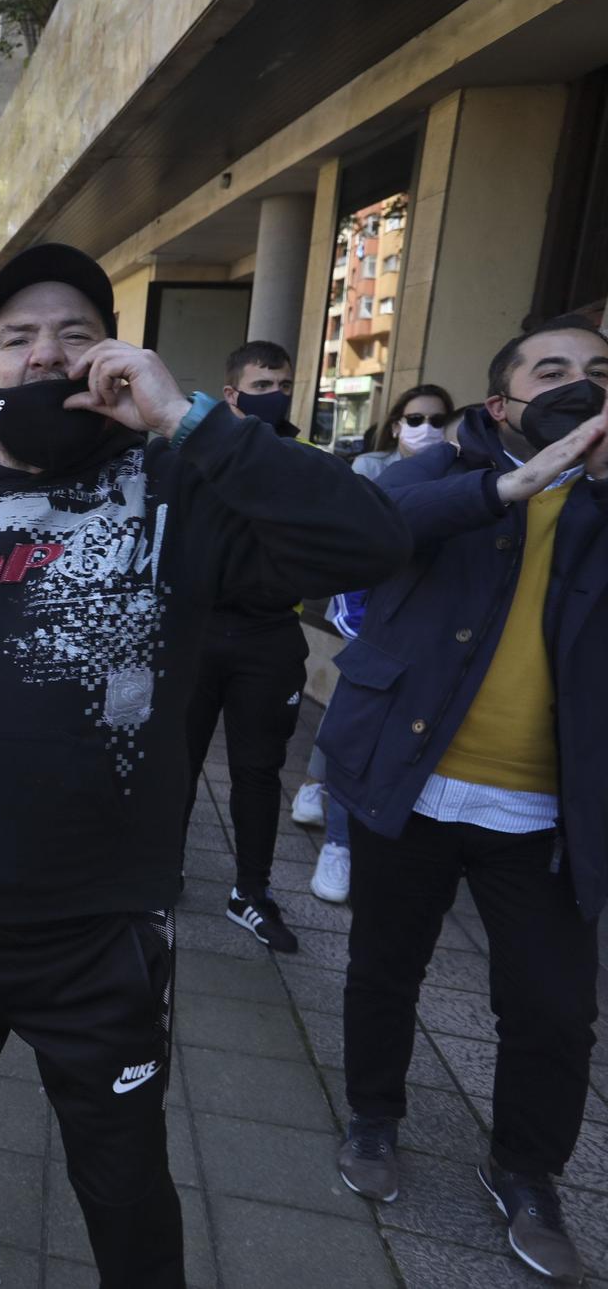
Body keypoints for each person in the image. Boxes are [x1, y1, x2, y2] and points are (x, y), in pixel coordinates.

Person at [0, 243, 409, 1288]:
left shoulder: (180, 491)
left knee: (123, 1185)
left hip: (102, 936)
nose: (44, 355)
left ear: (116, 359)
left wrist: (189, 422)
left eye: (73, 334)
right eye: (16, 337)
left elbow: (369, 542)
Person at [322, 315, 608, 1283]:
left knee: (553, 1006)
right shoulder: (440, 467)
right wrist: (511, 485)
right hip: (412, 777)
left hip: (545, 809)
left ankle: (525, 1170)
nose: (579, 385)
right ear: (502, 401)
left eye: (596, 372)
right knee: (382, 965)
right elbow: (365, 533)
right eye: (552, 370)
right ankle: (371, 1115)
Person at [296, 383, 454, 904]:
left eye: (438, 419)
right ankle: (338, 842)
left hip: (427, 631)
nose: (426, 429)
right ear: (394, 424)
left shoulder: (470, 479)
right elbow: (351, 550)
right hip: (371, 620)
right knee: (356, 727)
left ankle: (321, 791)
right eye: (415, 418)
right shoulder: (369, 470)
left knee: (362, 725)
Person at [178, 340, 311, 953]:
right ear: (231, 394)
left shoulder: (306, 460)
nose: (275, 395)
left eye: (281, 384)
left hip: (271, 635)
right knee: (176, 762)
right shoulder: (198, 458)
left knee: (258, 771)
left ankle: (251, 894)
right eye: (261, 387)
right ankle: (159, 873)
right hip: (199, 630)